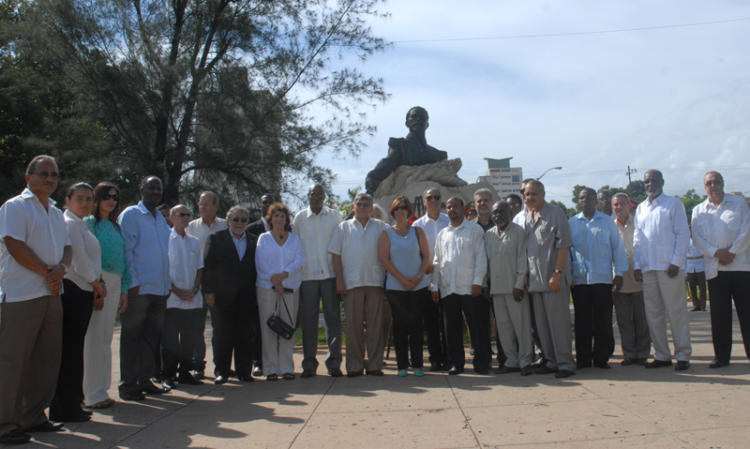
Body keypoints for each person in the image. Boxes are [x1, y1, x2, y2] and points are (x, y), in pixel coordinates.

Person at [0, 155, 71, 444]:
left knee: (46, 359)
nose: (49, 178)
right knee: (13, 361)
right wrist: (46, 272)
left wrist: (62, 269)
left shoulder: (55, 212)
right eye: (43, 173)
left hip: (51, 294)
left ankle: (33, 416)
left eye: (54, 174)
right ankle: (5, 423)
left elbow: (67, 248)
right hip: (21, 294)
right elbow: (14, 244)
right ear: (28, 177)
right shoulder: (15, 207)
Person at [49, 183, 106, 423]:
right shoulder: (70, 224)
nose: (85, 203)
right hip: (73, 291)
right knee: (69, 352)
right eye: (79, 198)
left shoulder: (81, 224)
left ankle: (72, 402)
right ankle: (65, 407)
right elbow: (79, 263)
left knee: (74, 351)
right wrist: (97, 285)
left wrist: (95, 284)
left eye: (89, 199)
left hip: (84, 289)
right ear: (68, 200)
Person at [118, 176, 172, 400]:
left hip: (159, 290)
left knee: (151, 338)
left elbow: (165, 255)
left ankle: (145, 379)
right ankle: (129, 385)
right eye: (150, 188)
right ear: (141, 189)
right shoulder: (131, 215)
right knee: (132, 338)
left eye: (158, 189)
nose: (154, 192)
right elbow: (127, 251)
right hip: (139, 289)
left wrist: (167, 284)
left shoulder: (160, 219)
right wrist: (133, 284)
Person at [633, 169, 691, 371]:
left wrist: (676, 261)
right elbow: (638, 240)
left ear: (662, 182)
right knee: (653, 314)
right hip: (648, 268)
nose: (650, 184)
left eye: (653, 180)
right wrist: (638, 265)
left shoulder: (673, 204)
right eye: (647, 181)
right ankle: (662, 354)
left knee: (676, 312)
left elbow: (683, 234)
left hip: (669, 268)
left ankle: (683, 354)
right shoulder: (641, 208)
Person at [691, 171, 750, 368]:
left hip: (740, 266)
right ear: (704, 187)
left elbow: (746, 230)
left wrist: (732, 252)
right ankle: (721, 357)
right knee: (719, 316)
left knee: (746, 313)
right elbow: (698, 239)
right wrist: (717, 253)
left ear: (723, 183)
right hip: (715, 269)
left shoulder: (738, 204)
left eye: (716, 182)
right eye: (709, 183)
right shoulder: (699, 210)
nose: (713, 186)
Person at [519, 180, 576, 378]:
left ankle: (565, 363)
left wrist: (557, 274)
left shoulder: (555, 214)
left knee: (558, 323)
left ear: (543, 193)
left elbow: (563, 245)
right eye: (527, 194)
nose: (530, 197)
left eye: (534, 193)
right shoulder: (526, 216)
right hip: (535, 280)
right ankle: (551, 361)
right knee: (542, 326)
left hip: (553, 279)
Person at [328, 193, 388, 377]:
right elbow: (336, 255)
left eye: (366, 204)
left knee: (375, 326)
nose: (362, 207)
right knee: (353, 327)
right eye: (359, 204)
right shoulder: (343, 228)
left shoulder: (382, 227)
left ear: (371, 208)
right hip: (351, 283)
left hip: (375, 282)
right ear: (353, 207)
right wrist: (339, 279)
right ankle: (354, 365)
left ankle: (374, 365)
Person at [568, 188, 628, 370]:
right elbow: (568, 252)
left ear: (596, 200)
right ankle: (584, 358)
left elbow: (617, 248)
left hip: (602, 279)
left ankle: (601, 358)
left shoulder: (607, 222)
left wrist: (619, 273)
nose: (585, 200)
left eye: (589, 197)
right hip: (580, 281)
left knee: (603, 321)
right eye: (582, 198)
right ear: (579, 201)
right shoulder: (572, 223)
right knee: (582, 322)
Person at [83, 182, 130, 409]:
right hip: (97, 281)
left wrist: (123, 290)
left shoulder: (115, 227)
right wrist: (97, 285)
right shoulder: (90, 223)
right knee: (93, 339)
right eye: (106, 196)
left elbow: (124, 260)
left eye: (115, 197)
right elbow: (87, 255)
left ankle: (101, 390)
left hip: (115, 280)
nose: (111, 201)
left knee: (105, 338)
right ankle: (90, 393)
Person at [431, 196, 489, 375]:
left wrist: (478, 282)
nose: (451, 210)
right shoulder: (443, 234)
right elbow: (437, 261)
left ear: (463, 208)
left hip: (470, 288)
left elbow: (481, 258)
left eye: (455, 206)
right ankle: (456, 363)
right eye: (448, 207)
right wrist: (434, 286)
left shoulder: (474, 230)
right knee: (452, 329)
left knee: (477, 328)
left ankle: (481, 363)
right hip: (449, 288)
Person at [203, 206, 258, 384]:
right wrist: (208, 291)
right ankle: (222, 371)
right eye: (236, 219)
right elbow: (208, 267)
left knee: (245, 336)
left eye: (243, 220)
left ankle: (244, 371)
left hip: (246, 297)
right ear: (228, 221)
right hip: (222, 297)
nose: (239, 223)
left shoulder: (253, 241)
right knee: (222, 336)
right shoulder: (216, 239)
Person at [292, 184, 344, 378]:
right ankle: (309, 364)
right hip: (308, 277)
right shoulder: (299, 218)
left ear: (324, 197)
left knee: (333, 320)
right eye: (313, 193)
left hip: (330, 275)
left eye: (320, 194)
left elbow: (340, 245)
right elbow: (295, 246)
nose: (316, 197)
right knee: (309, 321)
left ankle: (334, 363)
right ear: (308, 195)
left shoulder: (334, 216)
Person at [378, 196, 431, 377]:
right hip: (396, 287)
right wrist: (402, 279)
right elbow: (385, 260)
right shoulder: (387, 234)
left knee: (416, 325)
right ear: (393, 212)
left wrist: (417, 278)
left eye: (404, 208)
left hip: (418, 285)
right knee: (400, 326)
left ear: (409, 211)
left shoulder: (418, 232)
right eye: (397, 208)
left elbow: (426, 256)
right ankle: (402, 365)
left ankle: (417, 364)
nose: (400, 211)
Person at [255, 203, 305, 381]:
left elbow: (300, 259)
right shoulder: (264, 238)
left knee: (287, 327)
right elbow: (261, 262)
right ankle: (270, 369)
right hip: (267, 288)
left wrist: (284, 275)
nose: (279, 219)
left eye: (282, 216)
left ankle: (286, 367)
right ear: (270, 219)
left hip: (290, 287)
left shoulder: (294, 239)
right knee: (268, 326)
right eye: (276, 216)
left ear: (286, 220)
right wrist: (275, 281)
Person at [484, 201, 532, 375]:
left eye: (502, 212)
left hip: (514, 289)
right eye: (495, 213)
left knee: (521, 326)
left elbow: (522, 259)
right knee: (504, 329)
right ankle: (511, 361)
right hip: (496, 289)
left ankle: (526, 360)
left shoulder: (518, 232)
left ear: (510, 213)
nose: (498, 216)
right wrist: (485, 284)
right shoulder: (488, 235)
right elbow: (486, 262)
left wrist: (519, 284)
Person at [161, 205, 204, 389]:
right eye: (181, 214)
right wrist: (176, 290)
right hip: (173, 298)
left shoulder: (194, 241)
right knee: (170, 339)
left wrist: (195, 288)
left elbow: (200, 268)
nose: (185, 218)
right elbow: (162, 268)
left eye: (188, 215)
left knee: (189, 338)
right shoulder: (165, 239)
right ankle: (167, 374)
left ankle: (185, 372)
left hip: (192, 298)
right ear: (171, 217)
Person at [186, 191, 227, 379]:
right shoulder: (191, 227)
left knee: (220, 327)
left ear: (216, 206)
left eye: (207, 204)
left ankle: (222, 365)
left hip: (218, 283)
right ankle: (198, 364)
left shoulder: (225, 226)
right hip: (196, 282)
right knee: (196, 326)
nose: (203, 207)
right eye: (201, 204)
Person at [365, 106, 448, 194]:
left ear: (427, 124)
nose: (418, 119)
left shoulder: (437, 155)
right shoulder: (400, 146)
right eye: (414, 116)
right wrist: (372, 181)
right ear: (407, 123)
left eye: (422, 117)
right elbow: (383, 169)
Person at [611, 193, 651, 366]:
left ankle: (642, 353)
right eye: (615, 205)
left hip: (639, 278)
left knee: (642, 319)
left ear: (629, 205)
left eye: (622, 204)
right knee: (624, 320)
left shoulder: (640, 223)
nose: (619, 207)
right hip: (619, 281)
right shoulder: (610, 227)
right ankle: (629, 353)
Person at [412, 187, 450, 371]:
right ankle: (435, 358)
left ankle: (450, 357)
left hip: (448, 278)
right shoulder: (417, 226)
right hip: (427, 278)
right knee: (431, 322)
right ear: (424, 201)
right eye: (430, 197)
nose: (433, 200)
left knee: (449, 321)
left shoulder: (449, 221)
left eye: (437, 197)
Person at [246, 193, 274, 375]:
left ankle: (275, 360)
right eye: (265, 203)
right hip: (257, 284)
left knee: (277, 324)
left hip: (280, 285)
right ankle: (258, 361)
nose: (268, 206)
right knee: (256, 324)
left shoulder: (286, 229)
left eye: (271, 203)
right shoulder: (251, 229)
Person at [685, 236, 707, 311]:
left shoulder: (701, 239)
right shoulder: (686, 240)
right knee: (692, 287)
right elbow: (684, 257)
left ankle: (703, 306)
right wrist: (685, 272)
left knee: (702, 287)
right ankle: (696, 305)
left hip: (700, 265)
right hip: (690, 266)